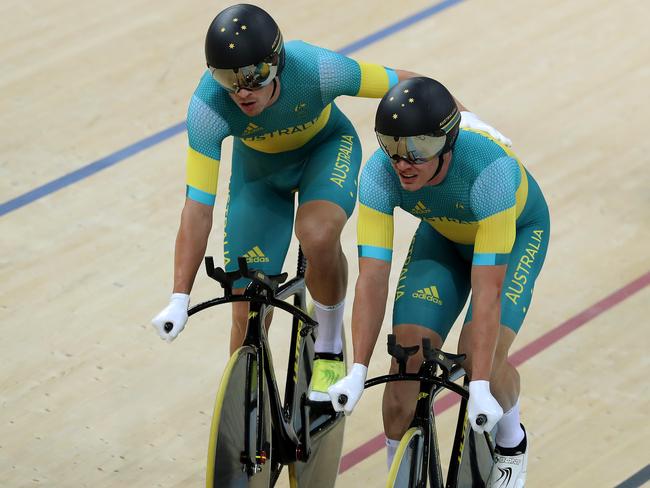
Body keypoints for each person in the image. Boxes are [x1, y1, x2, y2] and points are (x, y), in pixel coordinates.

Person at [151, 4, 509, 403]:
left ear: (277, 63)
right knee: (245, 301)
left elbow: (414, 83)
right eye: (227, 79)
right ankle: (245, 408)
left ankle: (329, 345)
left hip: (325, 152)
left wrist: (470, 120)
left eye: (254, 76)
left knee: (316, 234)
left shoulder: (317, 69)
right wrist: (179, 297)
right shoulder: (207, 106)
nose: (242, 92)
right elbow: (197, 207)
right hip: (259, 176)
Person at [328, 77, 549, 487]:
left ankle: (512, 441)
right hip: (445, 237)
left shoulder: (490, 172)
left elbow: (488, 290)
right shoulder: (379, 175)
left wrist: (479, 383)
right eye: (391, 146)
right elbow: (371, 280)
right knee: (406, 359)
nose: (403, 162)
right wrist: (357, 369)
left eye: (418, 150)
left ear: (448, 142)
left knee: (478, 353)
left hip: (516, 236)